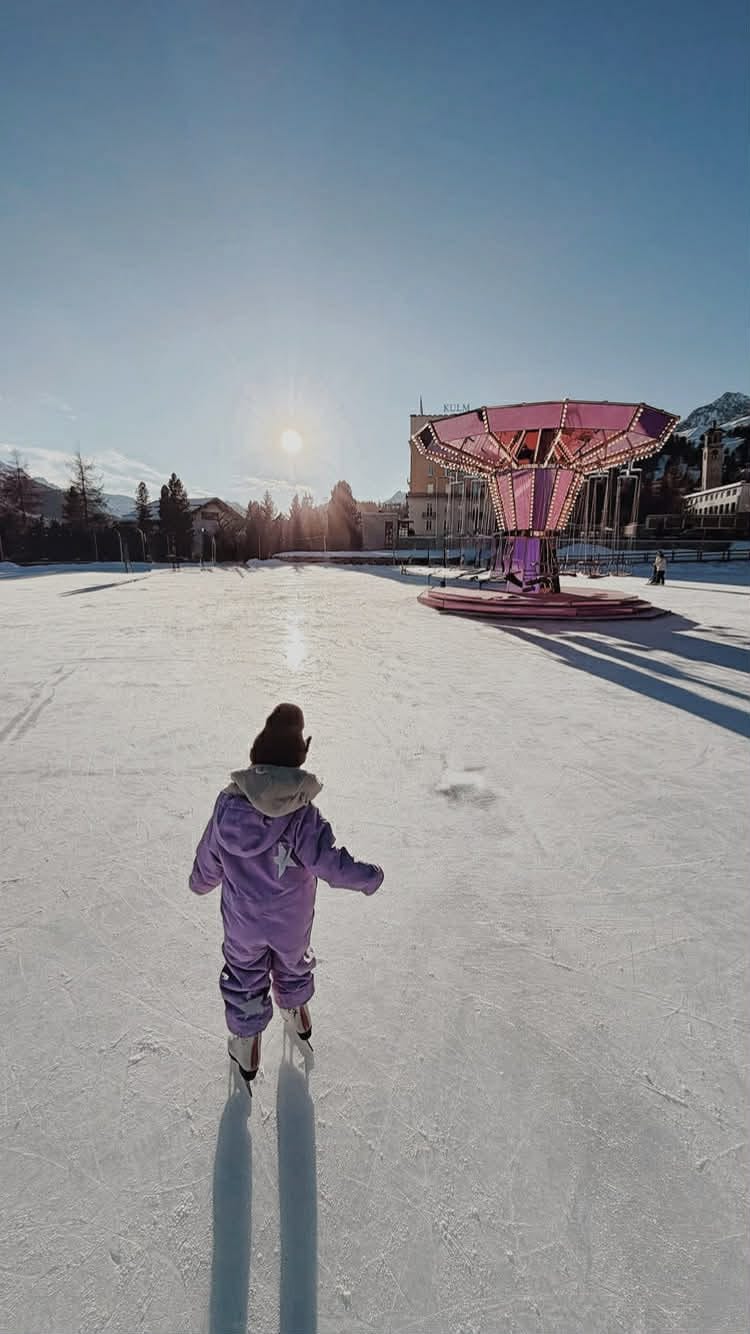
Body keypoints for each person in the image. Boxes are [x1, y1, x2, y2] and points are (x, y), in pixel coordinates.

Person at [189, 703, 383, 1086]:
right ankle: (297, 1015)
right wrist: (368, 877)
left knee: (245, 974)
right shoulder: (304, 816)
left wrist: (200, 881)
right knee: (293, 966)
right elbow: (331, 864)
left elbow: (209, 854)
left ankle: (246, 1044)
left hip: (243, 922)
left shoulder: (227, 809)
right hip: (291, 925)